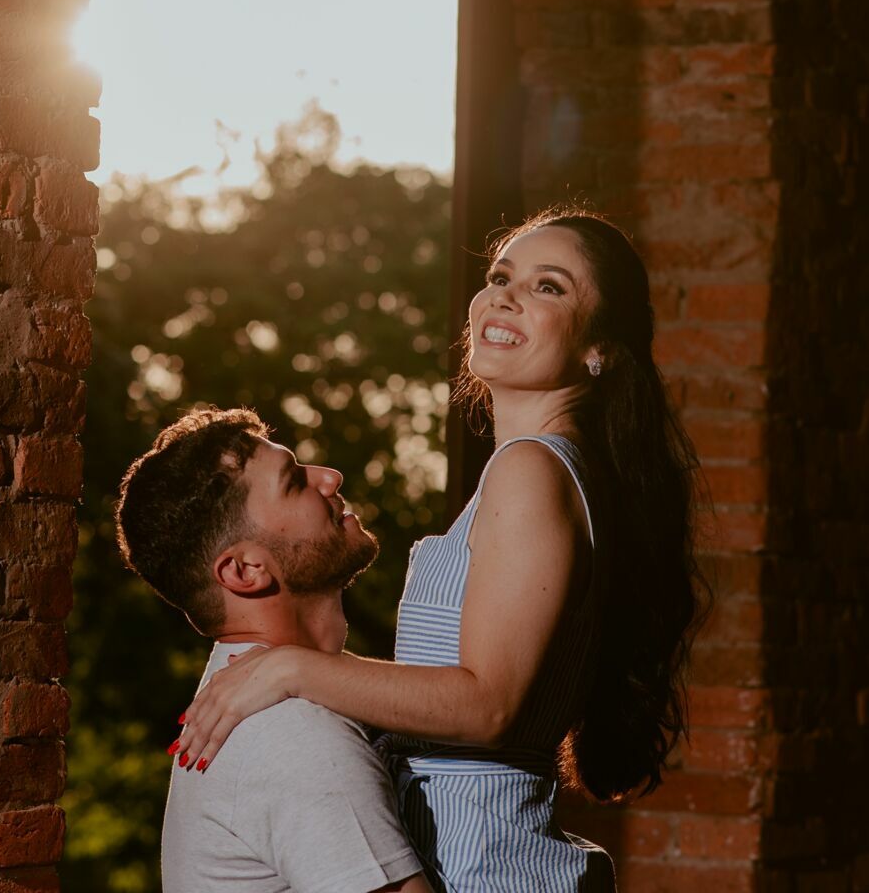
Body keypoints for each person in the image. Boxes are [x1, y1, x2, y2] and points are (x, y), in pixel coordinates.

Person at [176, 206, 710, 891]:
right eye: (500, 274)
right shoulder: (531, 472)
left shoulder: (531, 471)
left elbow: (488, 707)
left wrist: (288, 669)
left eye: (550, 286)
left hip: (486, 870)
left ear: (597, 349)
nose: (505, 294)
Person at [115, 406, 433, 893]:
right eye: (293, 482)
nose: (329, 478)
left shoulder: (271, 707)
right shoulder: (297, 739)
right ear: (245, 570)